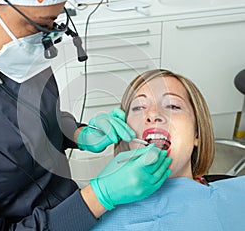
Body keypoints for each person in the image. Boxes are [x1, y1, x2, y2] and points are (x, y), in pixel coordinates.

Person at [0, 0, 172, 230]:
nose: (46, 36)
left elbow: (29, 116)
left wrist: (76, 133)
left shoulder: (15, 51)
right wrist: (98, 197)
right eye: (39, 25)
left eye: (54, 22)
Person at [91, 69, 245, 230]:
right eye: (138, 107)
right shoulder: (92, 206)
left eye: (172, 105)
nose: (153, 114)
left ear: (197, 134)